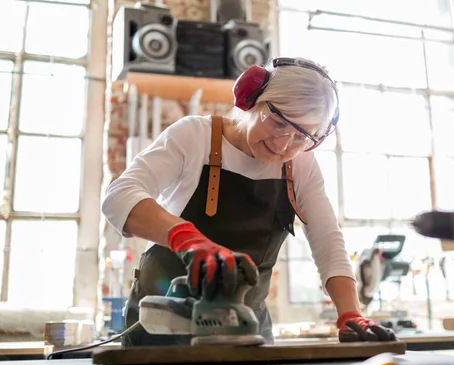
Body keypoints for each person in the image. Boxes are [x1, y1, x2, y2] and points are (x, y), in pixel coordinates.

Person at [102, 57, 397, 347]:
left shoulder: (302, 165)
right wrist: (187, 239)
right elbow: (120, 195)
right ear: (251, 98)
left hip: (245, 329)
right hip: (163, 323)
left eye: (301, 136)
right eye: (278, 122)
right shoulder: (195, 136)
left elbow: (327, 240)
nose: (283, 144)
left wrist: (350, 313)